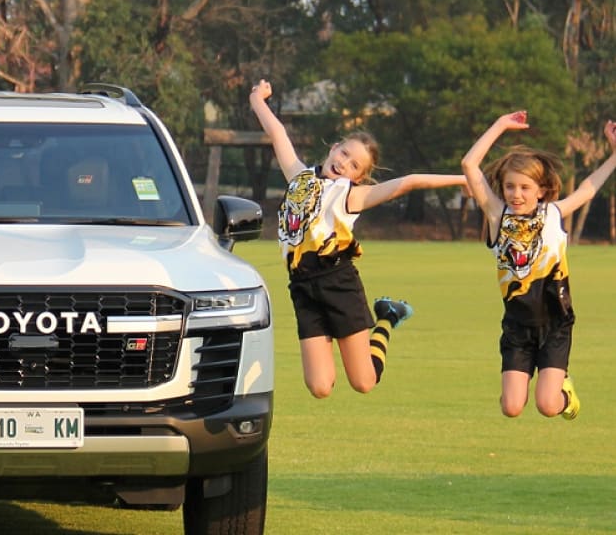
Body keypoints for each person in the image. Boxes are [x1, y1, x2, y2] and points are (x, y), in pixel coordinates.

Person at [250, 79, 466, 398]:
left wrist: (465, 178)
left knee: (363, 382)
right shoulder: (299, 176)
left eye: (354, 165)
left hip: (338, 285)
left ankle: (388, 317)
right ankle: (386, 317)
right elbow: (278, 134)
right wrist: (257, 99)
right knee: (320, 387)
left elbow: (409, 182)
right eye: (345, 153)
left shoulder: (350, 195)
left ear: (359, 177)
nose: (344, 163)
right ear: (334, 146)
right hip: (302, 286)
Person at [461, 111, 616, 420]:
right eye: (509, 187)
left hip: (555, 323)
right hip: (518, 326)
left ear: (541, 190)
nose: (516, 194)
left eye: (524, 187)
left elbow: (587, 189)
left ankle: (565, 393)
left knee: (547, 406)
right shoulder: (497, 216)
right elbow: (469, 165)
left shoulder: (554, 215)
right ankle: (538, 384)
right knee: (512, 408)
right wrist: (501, 126)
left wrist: (614, 157)